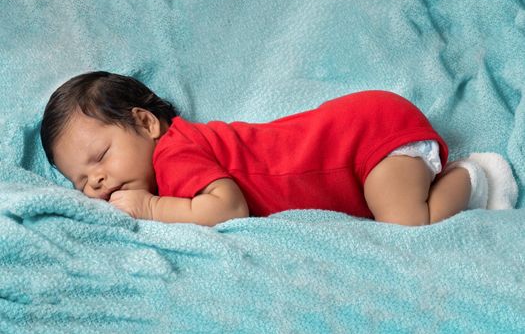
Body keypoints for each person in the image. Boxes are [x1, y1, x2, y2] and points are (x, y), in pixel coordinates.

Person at [40, 71, 518, 226]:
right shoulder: (178, 155)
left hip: (365, 140)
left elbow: (227, 209)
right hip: (361, 139)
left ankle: (475, 177)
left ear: (145, 123)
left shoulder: (175, 153)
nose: (95, 182)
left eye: (99, 157)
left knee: (411, 225)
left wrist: (148, 206)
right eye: (80, 181)